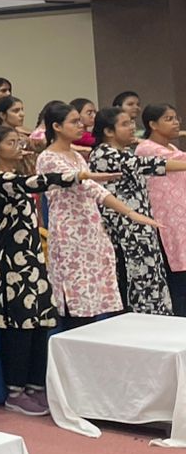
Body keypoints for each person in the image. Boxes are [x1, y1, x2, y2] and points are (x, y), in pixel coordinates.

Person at [0, 126, 112, 416]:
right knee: (20, 325)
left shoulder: (16, 176)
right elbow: (37, 182)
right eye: (10, 143)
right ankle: (15, 392)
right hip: (12, 266)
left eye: (19, 142)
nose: (18, 147)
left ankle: (35, 386)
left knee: (42, 322)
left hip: (33, 259)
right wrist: (79, 175)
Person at [36, 102, 158, 328]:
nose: (81, 125)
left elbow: (94, 188)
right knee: (77, 297)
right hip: (70, 233)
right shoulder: (48, 158)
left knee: (97, 295)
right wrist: (130, 212)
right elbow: (87, 186)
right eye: (74, 121)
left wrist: (129, 211)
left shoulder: (76, 155)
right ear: (57, 126)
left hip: (92, 229)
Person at [86, 106, 185, 315]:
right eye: (125, 124)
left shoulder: (123, 151)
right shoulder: (103, 154)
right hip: (124, 231)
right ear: (108, 131)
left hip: (141, 228)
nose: (132, 128)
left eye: (131, 123)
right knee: (131, 283)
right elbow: (146, 164)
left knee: (151, 281)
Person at [136, 103, 186, 315]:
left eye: (176, 118)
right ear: (152, 124)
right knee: (177, 280)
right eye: (169, 119)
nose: (175, 123)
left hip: (181, 219)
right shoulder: (146, 149)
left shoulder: (172, 148)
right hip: (165, 222)